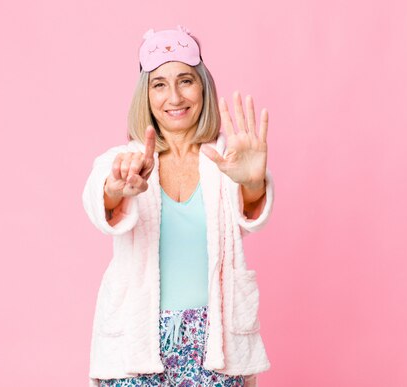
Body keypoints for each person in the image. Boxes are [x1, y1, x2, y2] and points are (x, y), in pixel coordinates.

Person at [82, 26, 274, 387]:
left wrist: (251, 182)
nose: (174, 96)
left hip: (213, 343)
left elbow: (248, 215)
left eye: (185, 80)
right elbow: (100, 200)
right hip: (139, 341)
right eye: (159, 84)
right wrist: (116, 187)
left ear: (202, 86)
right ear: (146, 95)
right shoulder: (125, 159)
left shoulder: (225, 160)